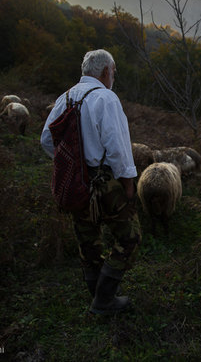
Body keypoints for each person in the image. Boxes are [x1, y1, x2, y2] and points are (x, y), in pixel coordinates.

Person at [41, 49, 141, 315]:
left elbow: (46, 140)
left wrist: (71, 164)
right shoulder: (106, 98)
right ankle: (104, 298)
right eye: (114, 71)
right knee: (130, 237)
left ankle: (97, 293)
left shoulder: (66, 97)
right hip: (104, 181)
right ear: (106, 71)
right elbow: (118, 148)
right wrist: (128, 185)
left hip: (76, 181)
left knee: (88, 239)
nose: (114, 76)